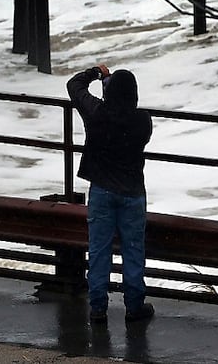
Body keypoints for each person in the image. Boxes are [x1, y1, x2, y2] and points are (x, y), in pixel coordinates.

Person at [66, 64, 154, 324]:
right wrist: (110, 84)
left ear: (109, 93)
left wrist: (97, 73)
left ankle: (98, 308)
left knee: (99, 250)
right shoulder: (142, 121)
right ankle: (134, 306)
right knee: (133, 250)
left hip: (101, 191)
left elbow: (74, 86)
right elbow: (121, 108)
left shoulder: (96, 113)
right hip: (133, 193)